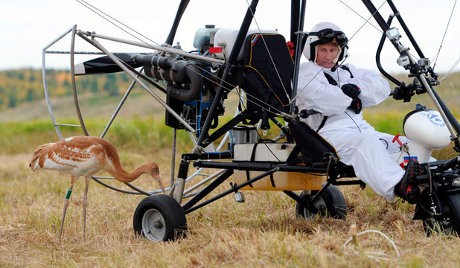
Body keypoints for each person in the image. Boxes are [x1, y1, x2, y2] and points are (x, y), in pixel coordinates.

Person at [296, 21, 422, 204]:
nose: (328, 56)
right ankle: (400, 185)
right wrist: (348, 94)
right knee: (366, 143)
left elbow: (380, 87)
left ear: (342, 52)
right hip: (329, 136)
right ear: (312, 50)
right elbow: (326, 100)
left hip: (363, 130)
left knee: (406, 144)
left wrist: (356, 88)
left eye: (333, 50)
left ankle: (434, 180)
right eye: (323, 50)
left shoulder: (348, 70)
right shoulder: (305, 73)